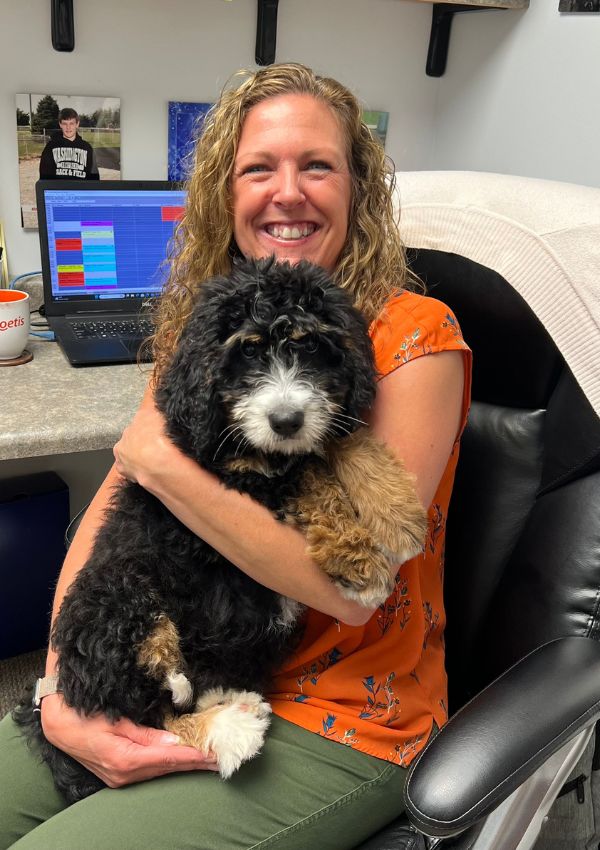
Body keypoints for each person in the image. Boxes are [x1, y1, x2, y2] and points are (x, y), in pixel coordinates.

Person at [0, 63, 471, 850]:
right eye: (260, 168)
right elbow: (118, 502)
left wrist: (162, 462)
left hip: (345, 716)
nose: (287, 192)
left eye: (316, 165)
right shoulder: (206, 323)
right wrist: (58, 684)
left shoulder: (417, 338)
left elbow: (354, 588)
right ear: (227, 190)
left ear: (357, 187)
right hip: (189, 664)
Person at [38, 107, 100, 180]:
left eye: (71, 123)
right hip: (59, 191)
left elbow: (94, 177)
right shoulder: (51, 147)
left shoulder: (87, 148)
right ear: (60, 124)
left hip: (80, 191)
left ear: (77, 124)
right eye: (65, 124)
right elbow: (44, 176)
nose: (68, 127)